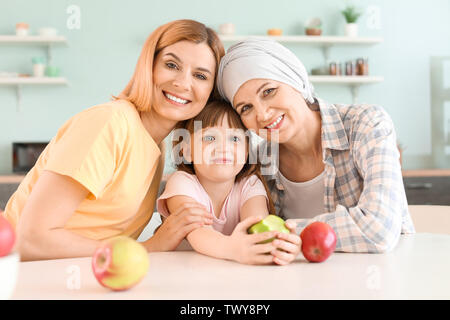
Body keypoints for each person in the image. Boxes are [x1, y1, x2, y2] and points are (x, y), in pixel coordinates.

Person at [2, 19, 224, 261]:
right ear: (148, 66)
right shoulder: (108, 123)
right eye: (171, 65)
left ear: (211, 92)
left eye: (201, 76)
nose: (182, 83)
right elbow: (32, 239)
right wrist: (149, 247)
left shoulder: (155, 145)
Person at [216, 38, 415, 255]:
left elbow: (378, 229)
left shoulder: (366, 125)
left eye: (268, 91)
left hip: (383, 277)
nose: (262, 114)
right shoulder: (256, 161)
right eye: (245, 108)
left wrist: (277, 234)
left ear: (296, 81)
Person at [157, 100, 300, 265]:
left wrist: (279, 245)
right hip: (185, 274)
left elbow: (256, 223)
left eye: (234, 138)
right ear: (187, 151)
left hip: (230, 276)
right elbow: (197, 231)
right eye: (210, 137)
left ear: (246, 152)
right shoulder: (182, 182)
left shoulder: (250, 184)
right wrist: (232, 248)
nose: (224, 147)